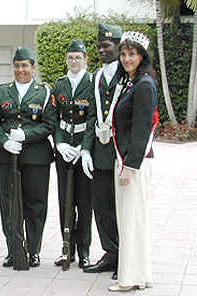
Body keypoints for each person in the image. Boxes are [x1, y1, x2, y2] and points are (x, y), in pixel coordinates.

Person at [0, 47, 55, 268]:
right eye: (17, 66)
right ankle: (13, 249)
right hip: (7, 156)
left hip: (36, 158)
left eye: (25, 65)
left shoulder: (44, 91)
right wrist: (4, 140)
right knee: (8, 203)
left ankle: (34, 250)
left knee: (35, 204)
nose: (21, 70)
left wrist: (26, 135)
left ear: (33, 67)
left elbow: (49, 124)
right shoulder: (1, 91)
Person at [109, 31, 158, 292]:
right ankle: (140, 274)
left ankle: (129, 278)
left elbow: (143, 129)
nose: (127, 58)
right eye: (124, 54)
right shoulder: (130, 82)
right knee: (132, 219)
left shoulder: (144, 85)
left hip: (134, 163)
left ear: (142, 56)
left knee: (131, 220)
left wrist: (129, 166)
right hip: (128, 160)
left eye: (133, 54)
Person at [83, 24, 123, 280]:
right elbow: (90, 116)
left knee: (120, 208)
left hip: (120, 153)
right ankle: (109, 253)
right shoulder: (97, 76)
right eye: (98, 47)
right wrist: (86, 148)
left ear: (119, 46)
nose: (101, 51)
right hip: (99, 152)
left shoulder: (128, 73)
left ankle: (123, 256)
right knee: (102, 206)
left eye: (106, 46)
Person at [52, 39, 93, 269]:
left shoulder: (92, 82)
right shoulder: (60, 84)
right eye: (70, 57)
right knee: (65, 202)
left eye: (78, 57)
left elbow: (93, 118)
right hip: (64, 150)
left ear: (85, 59)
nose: (74, 61)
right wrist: (59, 144)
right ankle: (67, 249)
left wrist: (83, 147)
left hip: (83, 151)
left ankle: (85, 251)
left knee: (84, 203)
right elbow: (55, 117)